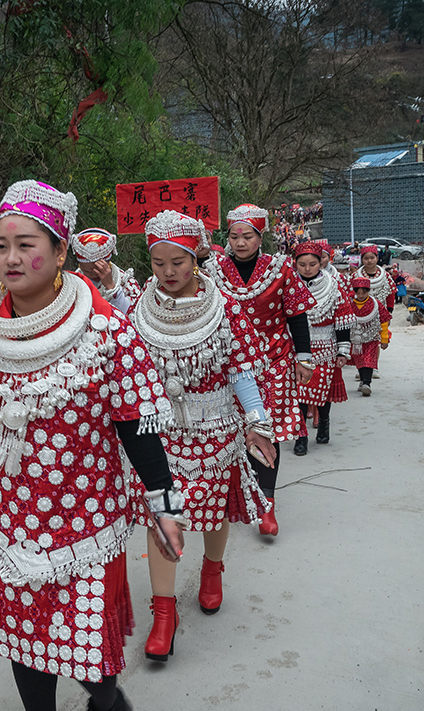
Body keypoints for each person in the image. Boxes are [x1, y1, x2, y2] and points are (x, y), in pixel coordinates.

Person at [0, 180, 187, 711]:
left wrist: (163, 504)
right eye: (0, 245)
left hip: (83, 517)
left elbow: (137, 423)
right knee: (22, 639)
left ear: (62, 251)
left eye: (26, 244)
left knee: (84, 643)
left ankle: (106, 707)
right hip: (3, 515)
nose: (10, 258)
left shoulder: (107, 331)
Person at [127, 210, 276, 662]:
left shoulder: (225, 307)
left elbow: (243, 370)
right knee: (163, 515)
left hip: (214, 430)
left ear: (197, 259)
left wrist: (257, 420)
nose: (169, 272)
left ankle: (213, 569)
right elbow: (126, 372)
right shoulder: (139, 310)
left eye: (178, 262)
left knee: (213, 512)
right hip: (160, 433)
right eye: (158, 264)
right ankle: (164, 613)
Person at [213, 203, 316, 537]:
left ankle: (266, 502)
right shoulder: (213, 270)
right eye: (234, 236)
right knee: (230, 432)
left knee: (265, 431)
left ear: (261, 237)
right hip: (228, 363)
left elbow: (297, 314)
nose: (240, 242)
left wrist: (304, 357)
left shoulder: (280, 269)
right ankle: (233, 495)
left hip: (273, 362)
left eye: (248, 236)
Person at [292, 242, 354, 453]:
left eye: (312, 264)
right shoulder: (288, 286)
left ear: (321, 263)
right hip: (296, 347)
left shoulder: (334, 286)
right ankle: (301, 437)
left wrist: (342, 350)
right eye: (302, 264)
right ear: (295, 264)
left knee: (322, 393)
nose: (307, 269)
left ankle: (324, 423)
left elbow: (343, 319)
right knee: (298, 394)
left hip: (325, 347)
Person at [71, 227, 141, 312]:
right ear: (80, 264)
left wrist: (112, 287)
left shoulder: (126, 282)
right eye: (88, 271)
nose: (93, 274)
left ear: (108, 262)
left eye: (98, 270)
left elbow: (134, 315)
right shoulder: (71, 284)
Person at [347, 274, 391, 395]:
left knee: (369, 360)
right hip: (356, 339)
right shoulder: (349, 305)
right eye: (358, 293)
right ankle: (362, 380)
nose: (361, 296)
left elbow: (384, 321)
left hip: (371, 339)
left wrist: (384, 338)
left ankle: (367, 382)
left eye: (363, 293)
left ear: (368, 291)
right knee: (360, 360)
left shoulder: (376, 304)